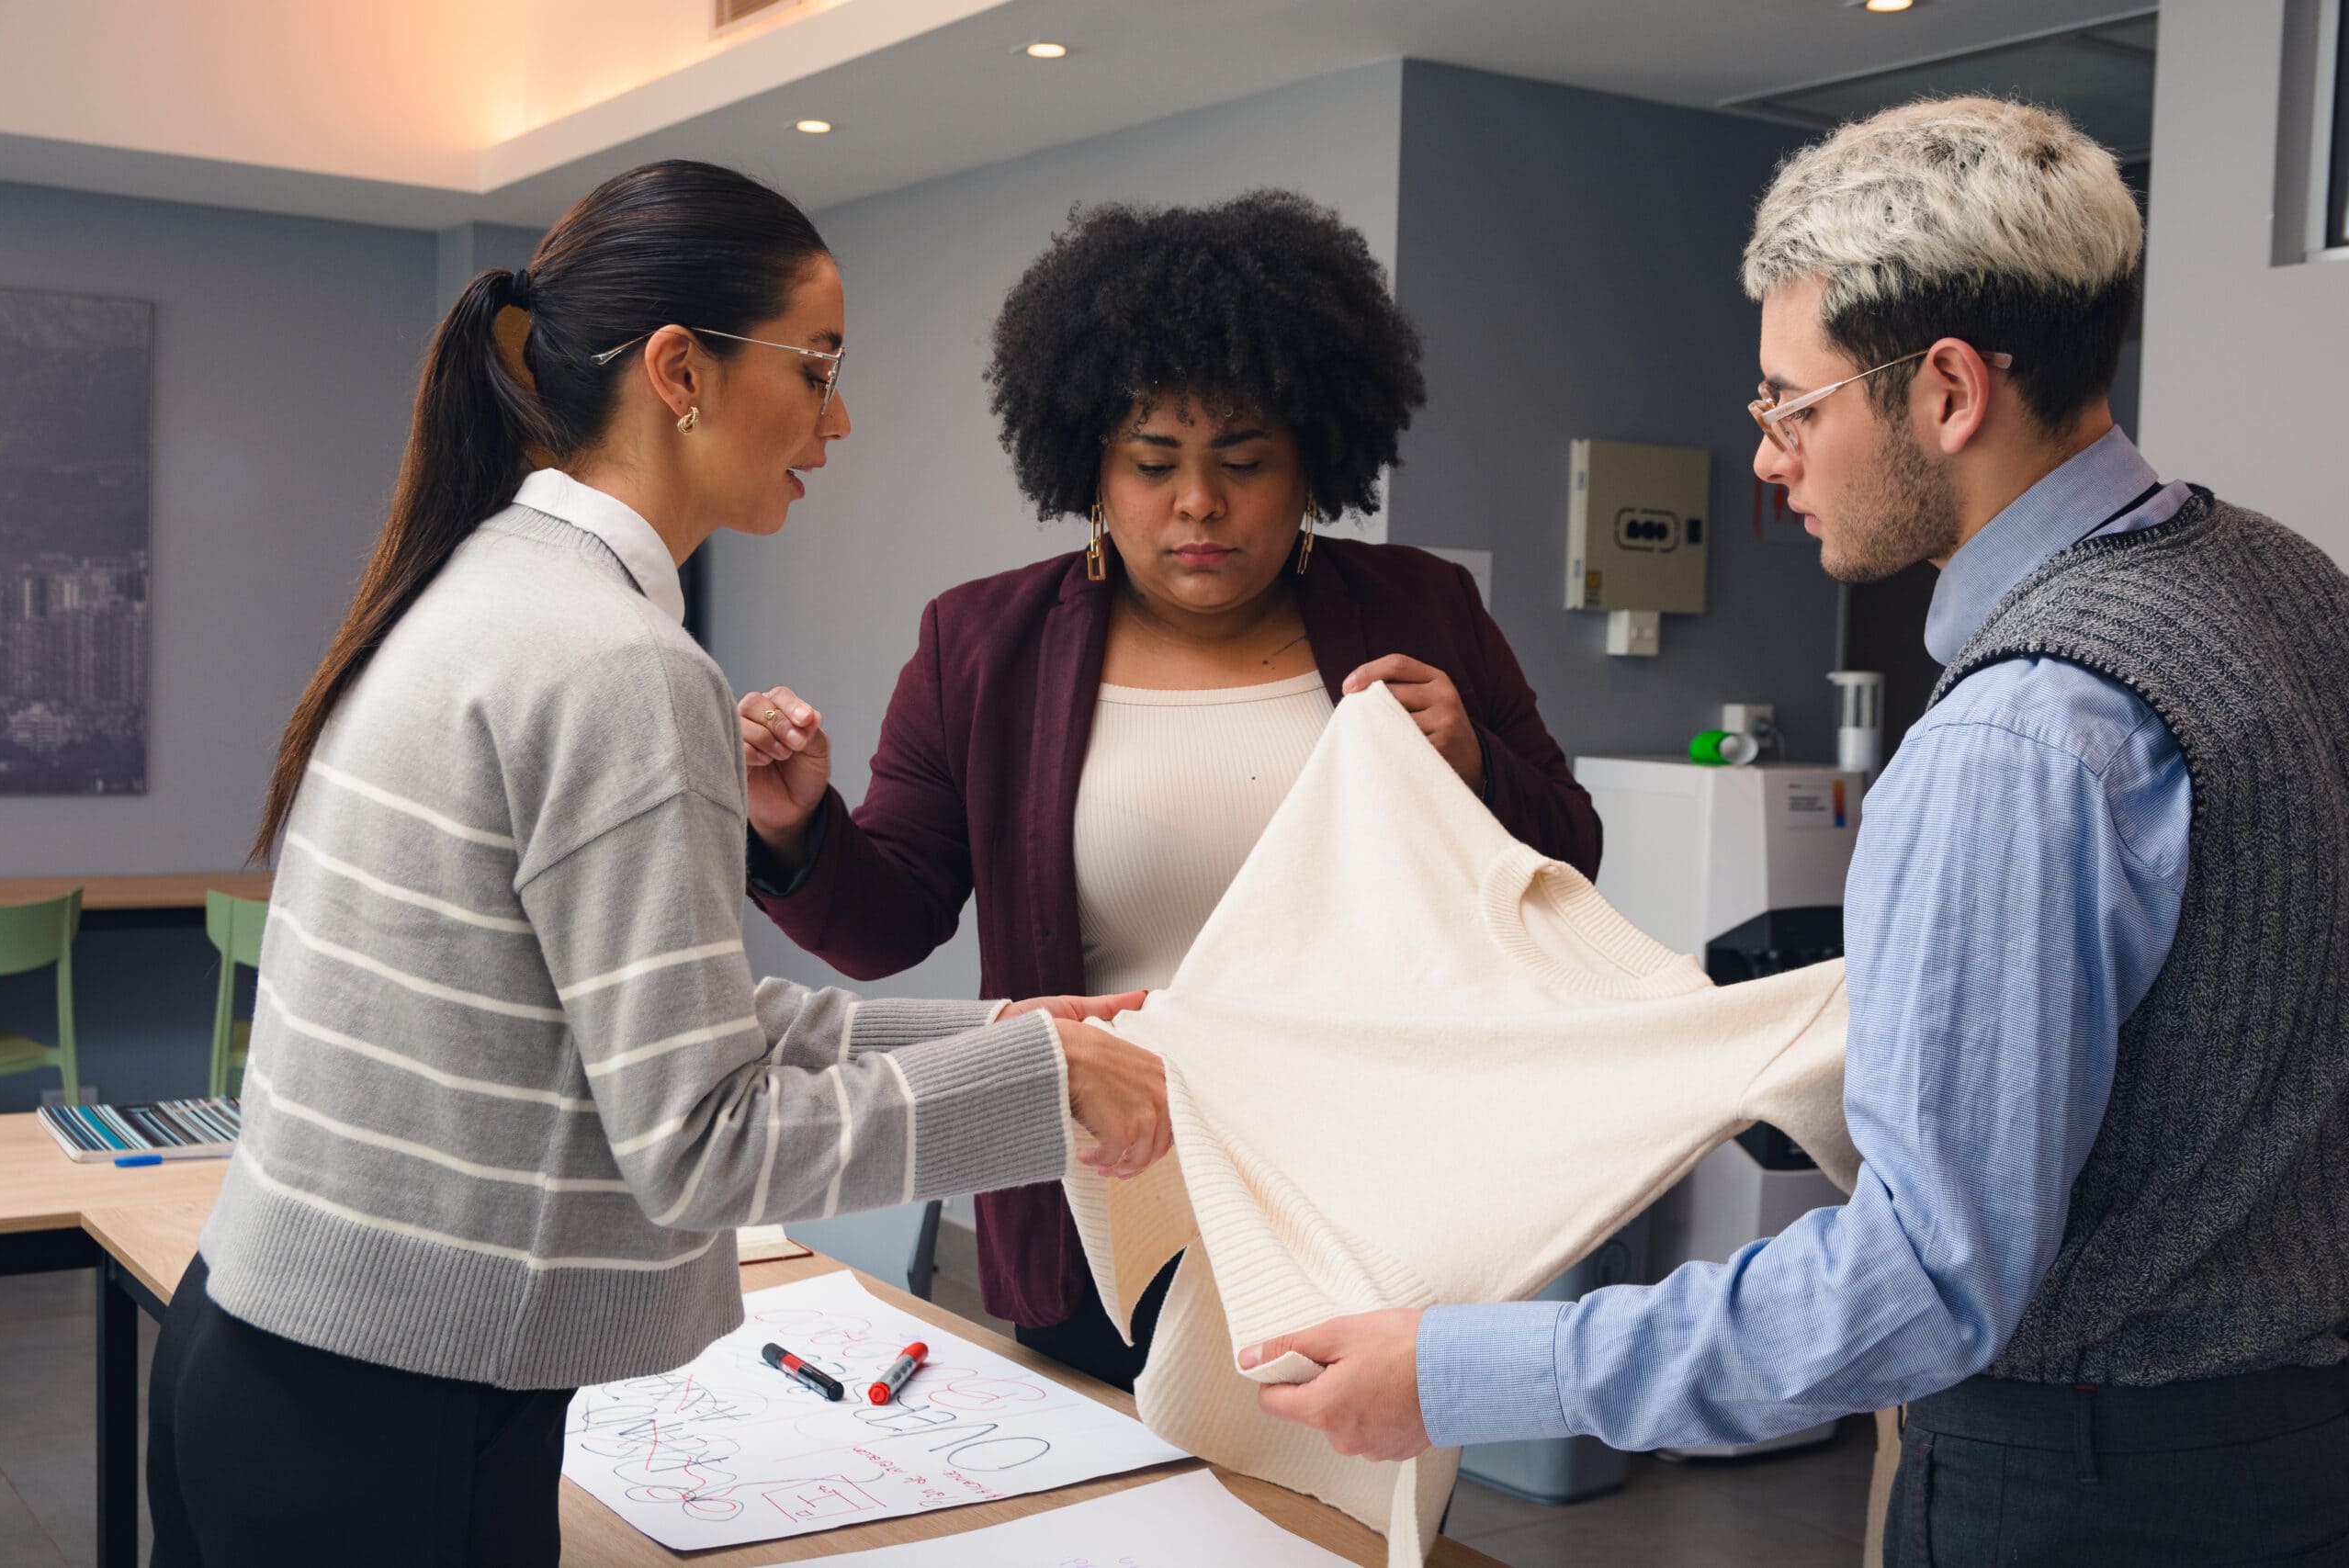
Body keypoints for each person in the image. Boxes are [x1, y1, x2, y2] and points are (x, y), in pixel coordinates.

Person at [1238, 98, 2349, 1564]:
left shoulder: (2017, 736)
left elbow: (1926, 1279)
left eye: (1791, 404)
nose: (1766, 457)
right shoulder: (2292, 586)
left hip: (2093, 1489)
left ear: (1948, 390)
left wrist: (1468, 1369)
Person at [145, 160, 1170, 1568]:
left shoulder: (485, 579)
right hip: (396, 1421)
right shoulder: (622, 665)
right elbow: (706, 1138)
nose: (840, 418)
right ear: (679, 369)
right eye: (818, 369)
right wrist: (1045, 1096)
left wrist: (1000, 1029)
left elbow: (668, 1028)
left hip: (270, 1360)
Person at [735, 190, 1602, 1389]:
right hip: (1101, 1188)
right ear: (1088, 463)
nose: (1199, 502)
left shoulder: (1422, 610)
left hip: (1361, 1196)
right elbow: (889, 924)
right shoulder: (984, 643)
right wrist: (792, 828)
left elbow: (1568, 866)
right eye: (1155, 464)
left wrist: (1476, 768)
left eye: (1244, 463)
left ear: (1314, 466)